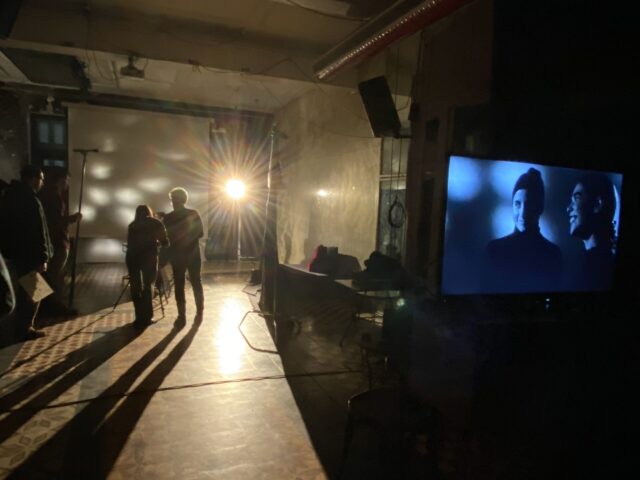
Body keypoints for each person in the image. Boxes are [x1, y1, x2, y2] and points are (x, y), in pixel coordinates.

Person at [485, 167, 562, 293]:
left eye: (529, 204)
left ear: (540, 207)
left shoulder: (552, 254)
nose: (522, 213)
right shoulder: (494, 250)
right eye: (517, 204)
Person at [0, 165, 53, 340]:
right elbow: (38, 231)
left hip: (17, 252)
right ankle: (25, 328)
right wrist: (43, 256)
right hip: (31, 255)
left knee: (26, 292)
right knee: (34, 293)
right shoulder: (30, 200)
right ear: (32, 179)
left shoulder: (10, 196)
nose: (42, 183)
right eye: (41, 179)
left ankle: (21, 326)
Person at [38, 168, 81, 315]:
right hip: (57, 242)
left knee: (52, 276)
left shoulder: (49, 196)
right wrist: (73, 218)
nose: (68, 184)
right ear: (61, 180)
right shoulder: (54, 197)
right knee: (55, 276)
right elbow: (55, 222)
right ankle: (54, 306)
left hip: (54, 241)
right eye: (67, 180)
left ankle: (46, 305)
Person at [566, 173, 617, 291]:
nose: (568, 208)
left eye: (576, 198)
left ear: (597, 204)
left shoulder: (601, 267)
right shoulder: (585, 262)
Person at [162, 187, 204, 324]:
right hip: (193, 253)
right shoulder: (193, 213)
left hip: (177, 255)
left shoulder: (168, 218)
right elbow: (200, 233)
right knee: (196, 282)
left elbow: (166, 238)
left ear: (172, 200)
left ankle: (182, 316)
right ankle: (199, 312)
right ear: (185, 199)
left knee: (179, 285)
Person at [126, 205, 168, 328]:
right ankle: (148, 317)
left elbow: (130, 243)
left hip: (132, 258)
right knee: (148, 286)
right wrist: (158, 243)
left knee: (136, 287)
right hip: (149, 258)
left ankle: (138, 317)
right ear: (149, 212)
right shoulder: (155, 223)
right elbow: (165, 242)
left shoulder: (132, 225)